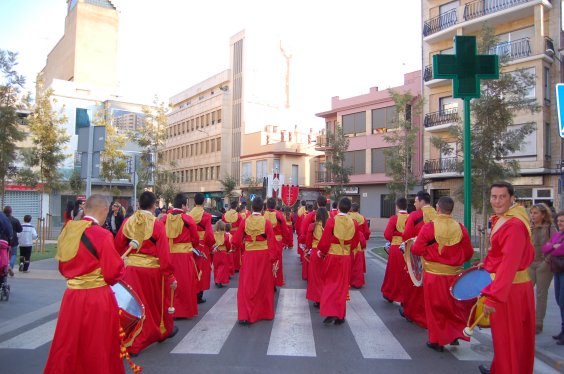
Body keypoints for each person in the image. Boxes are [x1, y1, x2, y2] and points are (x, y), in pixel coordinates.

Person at [44, 195, 125, 374]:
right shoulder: (103, 235)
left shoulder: (67, 231)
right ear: (104, 210)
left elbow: (62, 267)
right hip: (97, 297)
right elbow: (112, 274)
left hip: (71, 296)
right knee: (97, 344)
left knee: (68, 342)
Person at [479, 181, 535, 374]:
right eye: (494, 196)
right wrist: (486, 264)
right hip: (511, 288)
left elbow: (509, 265)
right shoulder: (506, 219)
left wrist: (493, 297)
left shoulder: (513, 225)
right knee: (508, 341)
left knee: (508, 340)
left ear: (512, 198)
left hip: (509, 291)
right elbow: (500, 254)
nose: (497, 201)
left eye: (502, 196)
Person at [114, 191, 178, 356]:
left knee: (134, 306)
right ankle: (150, 335)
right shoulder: (156, 224)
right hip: (150, 272)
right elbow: (164, 253)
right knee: (153, 304)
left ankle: (131, 336)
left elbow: (118, 246)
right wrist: (169, 275)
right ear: (153, 205)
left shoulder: (128, 221)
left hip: (130, 271)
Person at [411, 196, 474, 352]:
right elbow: (468, 253)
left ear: (438, 208)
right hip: (454, 275)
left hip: (434, 274)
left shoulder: (429, 227)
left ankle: (436, 340)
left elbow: (416, 249)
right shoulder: (460, 228)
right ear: (451, 210)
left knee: (434, 308)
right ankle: (454, 335)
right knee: (452, 306)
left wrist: (430, 253)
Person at [317, 197, 365, 325]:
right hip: (346, 257)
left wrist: (322, 252)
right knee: (342, 287)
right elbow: (355, 242)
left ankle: (331, 311)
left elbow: (325, 241)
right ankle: (340, 315)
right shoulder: (353, 223)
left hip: (333, 255)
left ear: (338, 207)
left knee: (330, 284)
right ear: (349, 209)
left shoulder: (332, 221)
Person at [231, 196, 277, 324]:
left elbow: (235, 240)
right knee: (263, 284)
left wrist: (239, 247)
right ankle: (263, 313)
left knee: (247, 285)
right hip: (263, 255)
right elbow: (272, 242)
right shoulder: (266, 222)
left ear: (251, 208)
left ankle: (246, 314)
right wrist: (272, 258)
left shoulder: (245, 221)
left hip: (249, 255)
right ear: (262, 209)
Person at [401, 190, 437, 328]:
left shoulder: (415, 215)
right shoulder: (438, 216)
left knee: (415, 286)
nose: (415, 203)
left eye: (416, 201)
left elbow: (406, 236)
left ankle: (414, 313)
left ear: (422, 201)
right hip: (434, 260)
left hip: (417, 257)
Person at [161, 193, 200, 319]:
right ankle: (184, 310)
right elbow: (195, 239)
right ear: (183, 205)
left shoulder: (164, 219)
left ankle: (171, 307)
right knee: (185, 283)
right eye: (187, 204)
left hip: (168, 254)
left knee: (170, 283)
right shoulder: (187, 219)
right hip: (183, 255)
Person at [529, 203, 556, 334]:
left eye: (536, 213)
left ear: (543, 214)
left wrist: (546, 261)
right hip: (530, 263)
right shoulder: (530, 227)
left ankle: (538, 322)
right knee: (526, 291)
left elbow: (556, 245)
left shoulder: (550, 228)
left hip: (544, 264)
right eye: (532, 213)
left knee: (541, 294)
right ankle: (526, 319)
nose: (533, 216)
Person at [188, 193, 216, 304]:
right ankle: (199, 295)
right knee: (202, 270)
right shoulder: (206, 216)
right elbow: (209, 234)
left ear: (194, 202)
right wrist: (211, 245)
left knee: (192, 269)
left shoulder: (189, 215)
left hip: (191, 245)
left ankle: (192, 292)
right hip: (203, 245)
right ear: (204, 202)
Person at [381, 197, 410, 303]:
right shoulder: (411, 217)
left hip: (395, 247)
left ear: (397, 206)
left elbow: (387, 234)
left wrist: (396, 234)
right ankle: (406, 295)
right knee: (406, 272)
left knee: (393, 272)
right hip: (407, 248)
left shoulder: (394, 218)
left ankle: (391, 293)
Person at [542, 211, 564, 344]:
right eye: (559, 221)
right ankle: (562, 330)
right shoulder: (558, 235)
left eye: (562, 221)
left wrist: (554, 247)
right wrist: (553, 247)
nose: (560, 223)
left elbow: (559, 250)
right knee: (559, 300)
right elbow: (545, 248)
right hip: (557, 270)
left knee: (563, 301)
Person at [264, 198, 292, 288]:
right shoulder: (279, 215)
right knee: (277, 261)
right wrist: (287, 242)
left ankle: (268, 281)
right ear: (275, 205)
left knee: (267, 262)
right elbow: (285, 230)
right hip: (277, 241)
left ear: (267, 205)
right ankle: (275, 281)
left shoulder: (263, 214)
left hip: (266, 241)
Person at [305, 206, 328, 308]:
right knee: (326, 276)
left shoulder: (312, 226)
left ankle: (318, 299)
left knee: (315, 277)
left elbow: (308, 242)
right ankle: (326, 297)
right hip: (327, 253)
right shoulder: (329, 225)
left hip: (315, 252)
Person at [348, 203, 371, 289]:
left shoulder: (348, 216)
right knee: (358, 263)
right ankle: (357, 282)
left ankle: (348, 280)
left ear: (351, 208)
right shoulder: (362, 218)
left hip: (349, 241)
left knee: (349, 262)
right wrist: (365, 238)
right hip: (358, 242)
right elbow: (366, 232)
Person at [222, 201, 242, 273]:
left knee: (228, 250)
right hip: (235, 233)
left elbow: (222, 225)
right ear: (236, 207)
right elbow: (240, 227)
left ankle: (229, 266)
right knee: (236, 250)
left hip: (227, 233)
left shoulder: (224, 215)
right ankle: (236, 267)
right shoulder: (239, 216)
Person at [3, 206, 22, 277]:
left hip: (3, 240)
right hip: (13, 239)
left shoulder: (2, 219)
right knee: (13, 254)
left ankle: (4, 267)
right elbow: (20, 229)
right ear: (11, 212)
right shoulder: (15, 220)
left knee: (3, 253)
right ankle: (10, 267)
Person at [212, 220, 231, 288]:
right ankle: (219, 280)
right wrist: (228, 250)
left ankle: (216, 280)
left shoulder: (214, 234)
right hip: (223, 252)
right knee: (222, 267)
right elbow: (228, 244)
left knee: (216, 267)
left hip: (216, 252)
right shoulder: (225, 235)